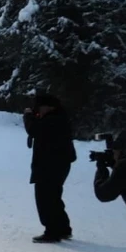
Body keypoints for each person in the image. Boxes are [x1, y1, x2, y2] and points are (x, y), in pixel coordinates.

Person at [23, 94, 75, 243]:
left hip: (50, 164)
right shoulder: (59, 117)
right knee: (54, 196)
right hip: (57, 163)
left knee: (45, 198)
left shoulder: (53, 119)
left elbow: (34, 130)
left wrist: (28, 117)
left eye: (39, 107)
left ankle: (52, 231)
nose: (38, 110)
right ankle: (63, 228)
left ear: (49, 106)